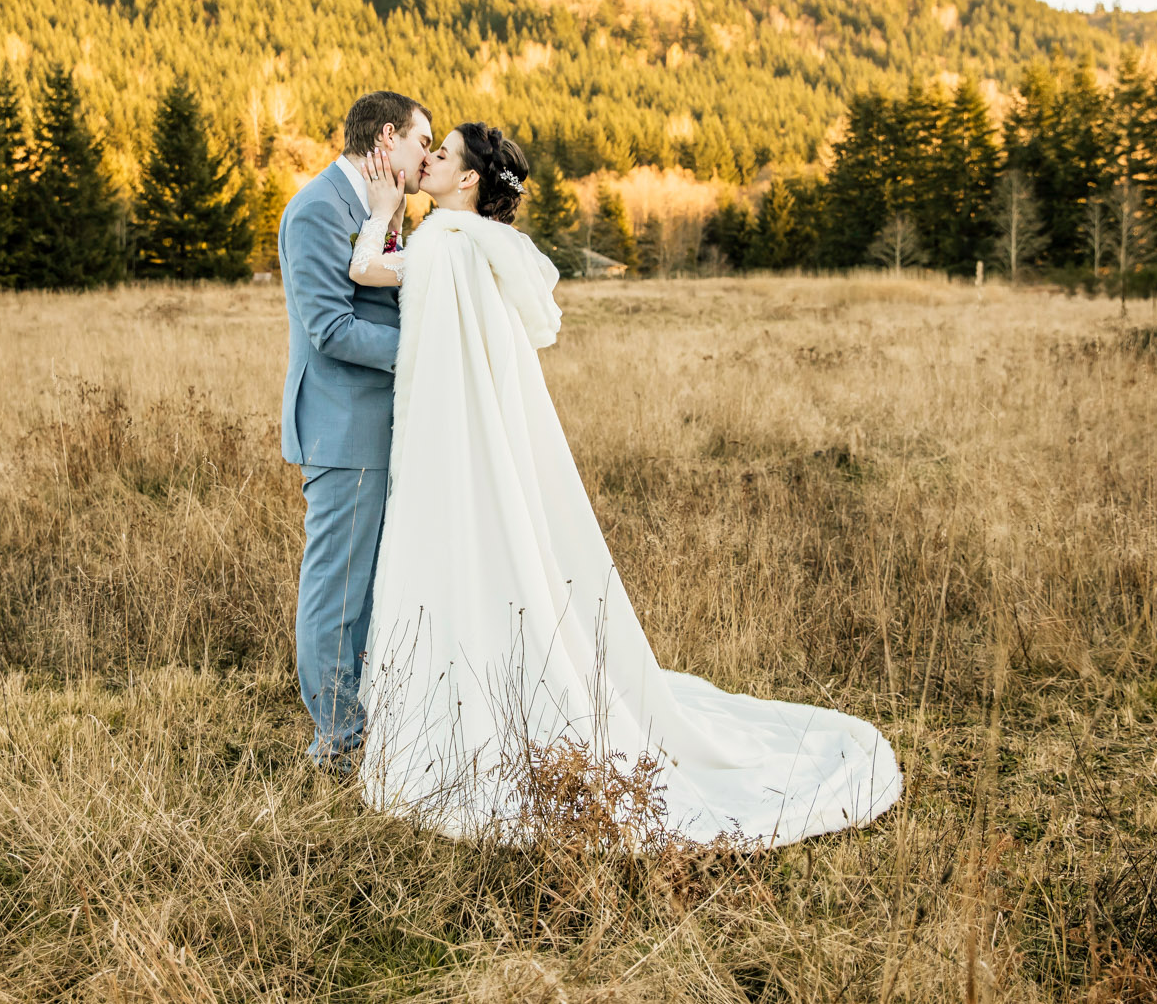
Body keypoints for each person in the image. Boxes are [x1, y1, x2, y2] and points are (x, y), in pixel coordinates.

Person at [343, 122, 901, 845]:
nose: (431, 163)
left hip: (445, 445)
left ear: (471, 179)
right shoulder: (491, 249)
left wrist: (383, 213)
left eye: (442, 155)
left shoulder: (444, 243)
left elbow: (363, 271)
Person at [277, 90, 432, 771]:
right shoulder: (316, 209)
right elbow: (331, 328)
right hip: (343, 430)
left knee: (370, 587)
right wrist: (429, 348)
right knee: (337, 590)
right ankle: (336, 744)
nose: (426, 156)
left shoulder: (381, 208)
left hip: (380, 427)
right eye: (422, 142)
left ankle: (366, 725)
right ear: (389, 137)